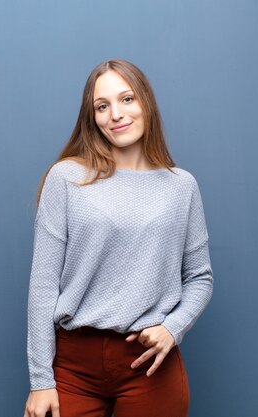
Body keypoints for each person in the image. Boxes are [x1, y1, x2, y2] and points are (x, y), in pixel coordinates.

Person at [23, 59, 213, 417]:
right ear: (92, 117)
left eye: (127, 99)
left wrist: (173, 327)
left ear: (146, 103)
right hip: (73, 365)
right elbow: (43, 285)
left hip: (149, 363)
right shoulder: (66, 178)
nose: (115, 114)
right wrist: (41, 381)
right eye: (102, 106)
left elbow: (200, 277)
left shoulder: (181, 186)